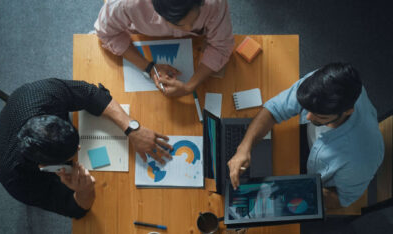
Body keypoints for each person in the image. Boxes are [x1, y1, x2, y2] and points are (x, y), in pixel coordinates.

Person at [0, 78, 172, 218]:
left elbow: (90, 93)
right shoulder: (19, 183)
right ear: (46, 167)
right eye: (74, 153)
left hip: (15, 113)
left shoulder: (40, 93)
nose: (80, 148)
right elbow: (74, 209)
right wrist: (84, 191)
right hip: (5, 152)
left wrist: (132, 128)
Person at [227, 63, 384, 208]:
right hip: (310, 151)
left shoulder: (361, 160)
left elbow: (341, 199)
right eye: (308, 110)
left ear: (347, 112)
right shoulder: (323, 84)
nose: (307, 118)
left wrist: (294, 190)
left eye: (320, 116)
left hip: (317, 179)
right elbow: (275, 109)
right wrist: (243, 148)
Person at [94, 0, 234, 97]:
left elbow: (221, 46)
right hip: (142, 34)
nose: (190, 29)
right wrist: (149, 68)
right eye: (180, 25)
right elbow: (105, 33)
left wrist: (189, 86)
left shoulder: (215, 3)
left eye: (195, 20)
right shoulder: (126, 4)